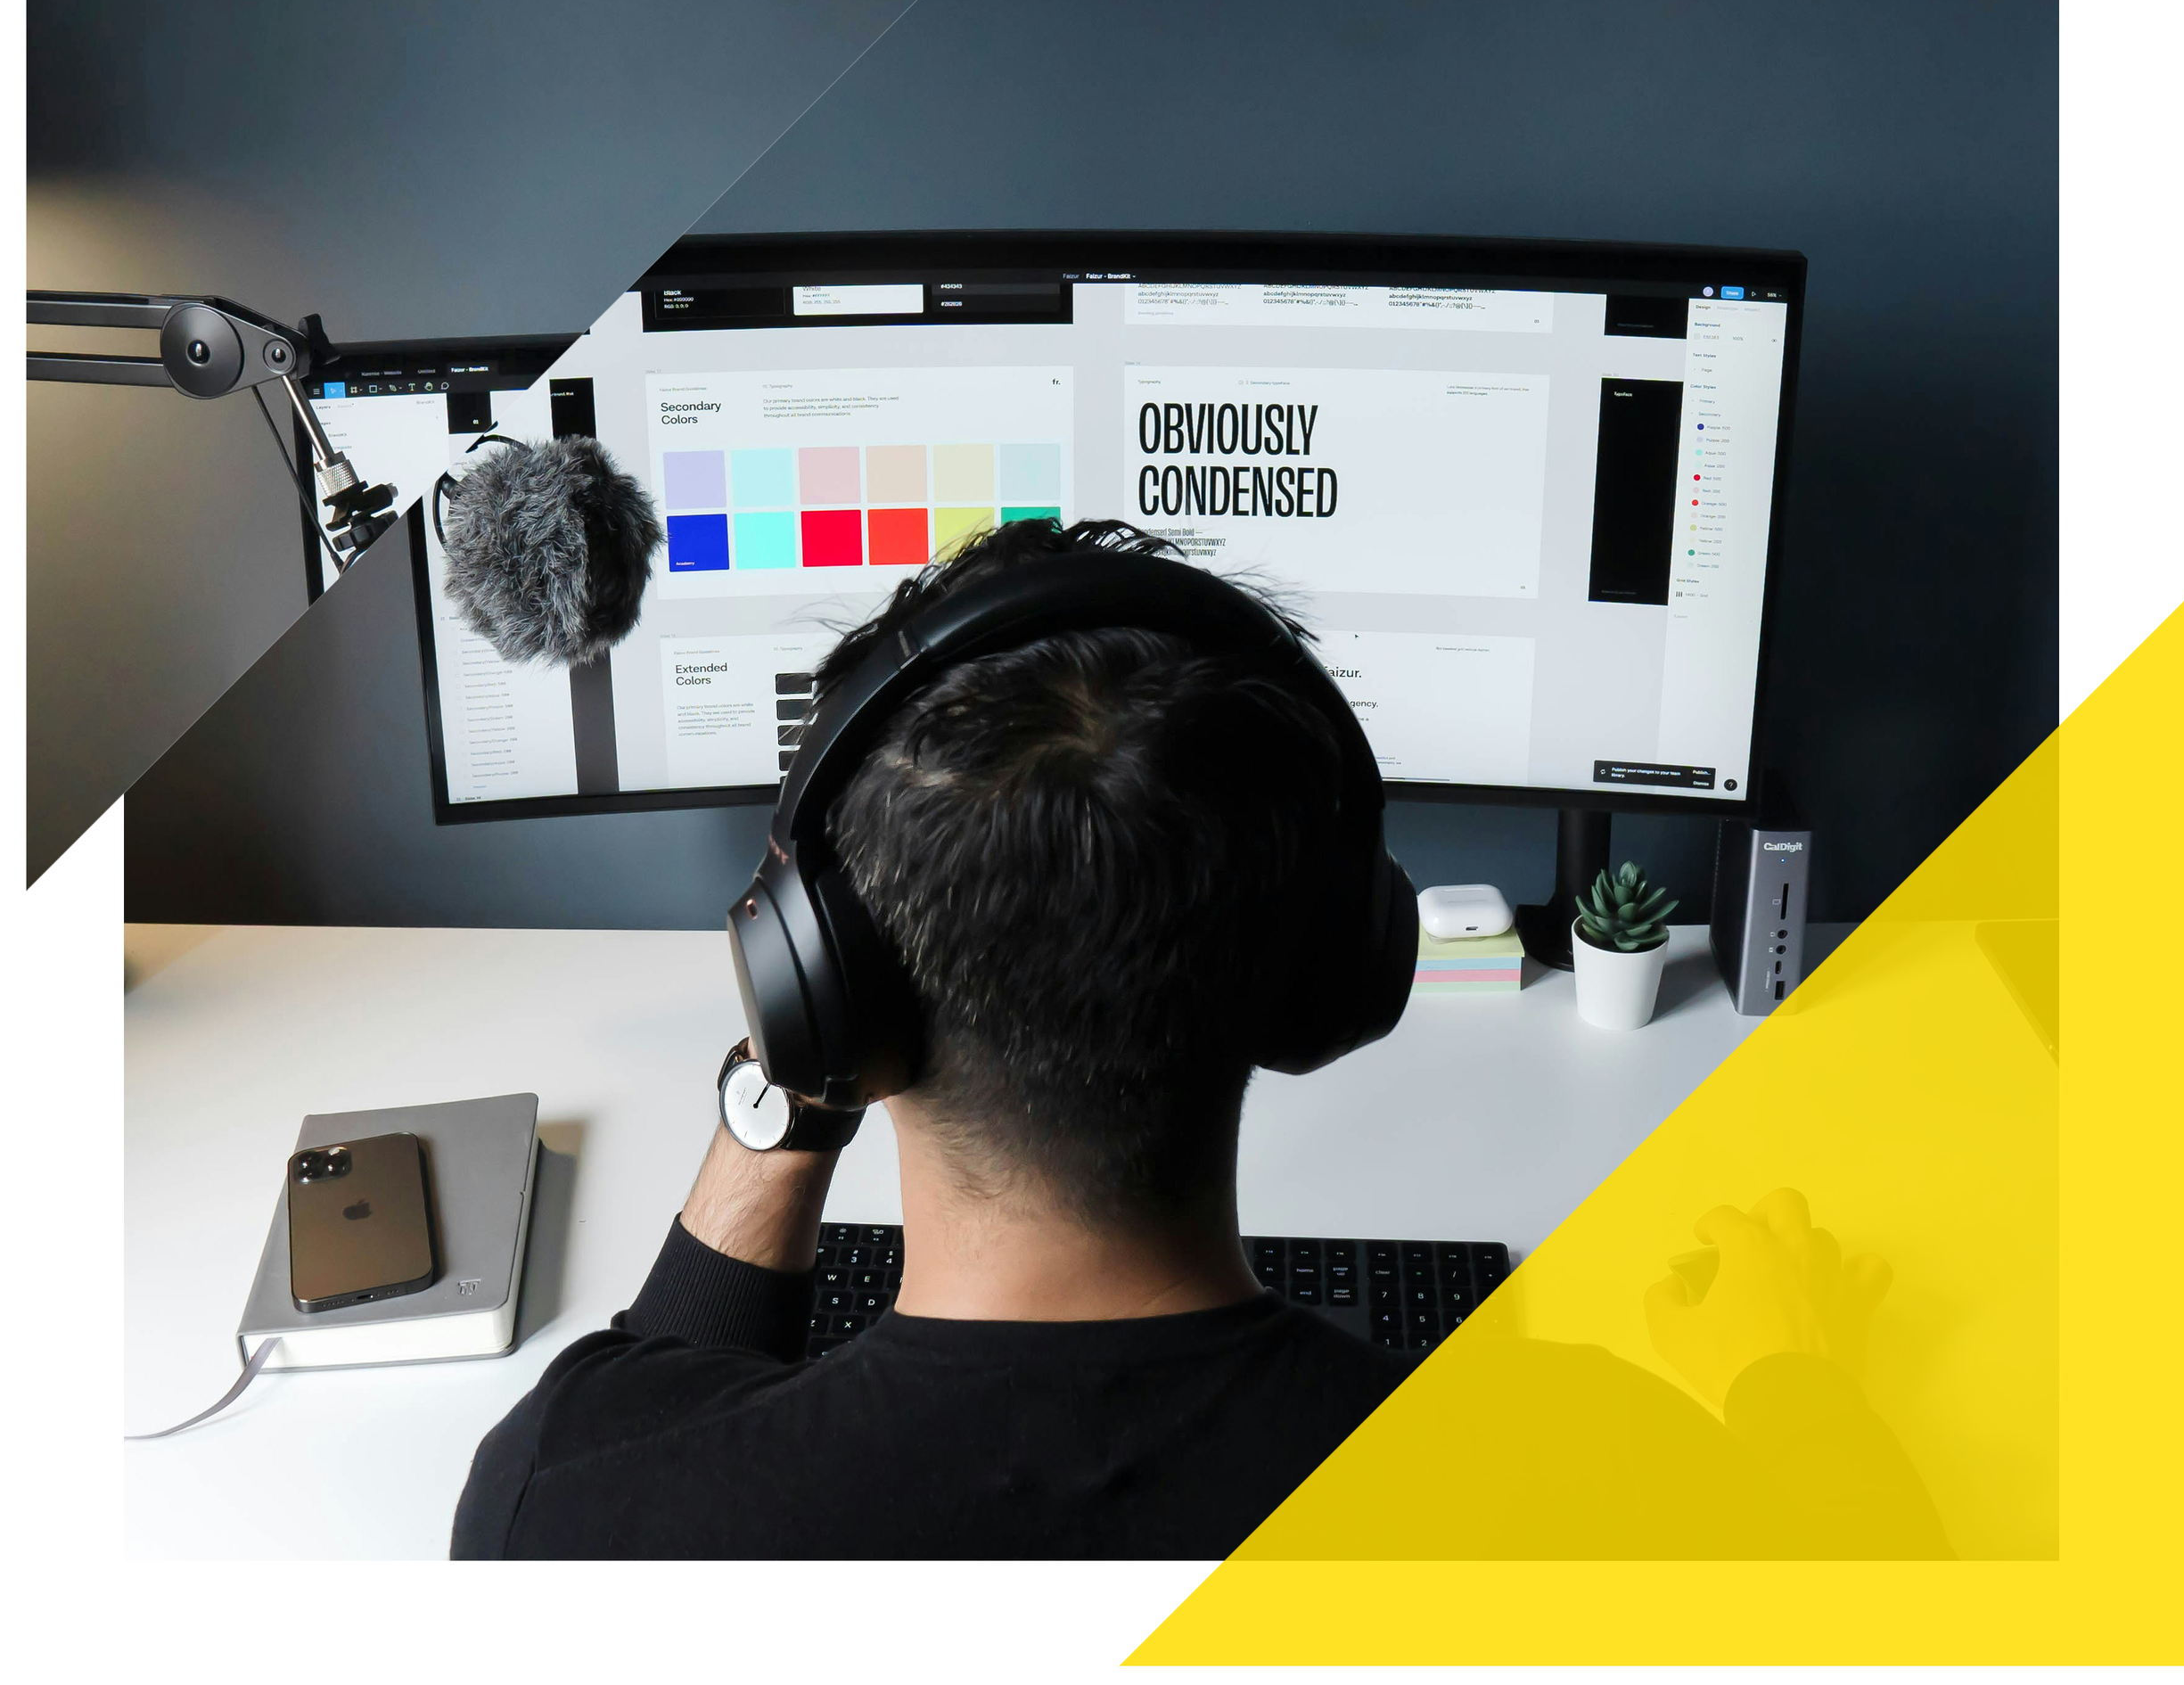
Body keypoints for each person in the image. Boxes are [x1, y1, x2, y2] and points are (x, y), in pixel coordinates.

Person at [452, 520, 1948, 1561]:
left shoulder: (571, 1510)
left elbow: (660, 1377)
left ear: (818, 991)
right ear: (1335, 976)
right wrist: (1785, 1376)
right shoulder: (1598, 1482)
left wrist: (786, 1092)